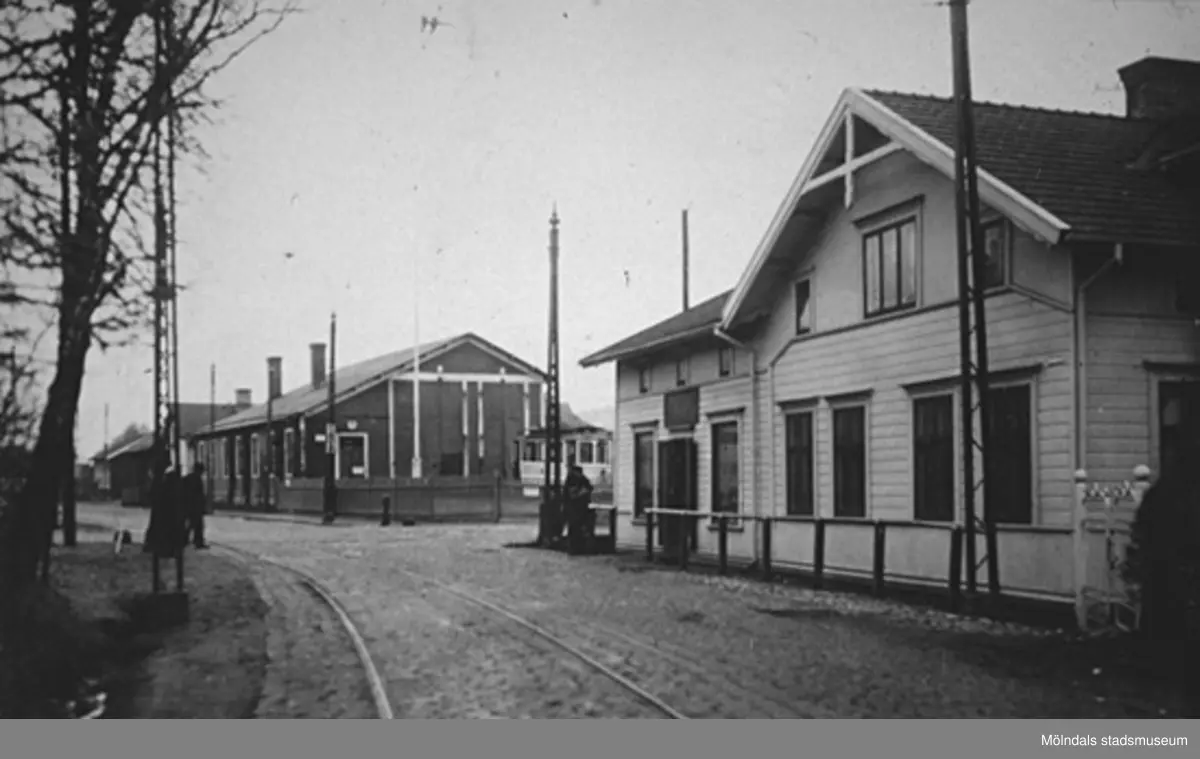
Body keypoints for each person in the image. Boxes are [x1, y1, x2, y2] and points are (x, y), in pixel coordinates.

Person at [564, 463, 594, 555]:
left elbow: (587, 488)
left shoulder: (576, 479)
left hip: (577, 508)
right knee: (576, 528)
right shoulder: (575, 479)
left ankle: (575, 548)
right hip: (576, 508)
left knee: (576, 528)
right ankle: (576, 548)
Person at [181, 462, 209, 549]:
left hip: (188, 505)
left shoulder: (187, 478)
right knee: (197, 525)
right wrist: (202, 505)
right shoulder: (197, 479)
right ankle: (197, 541)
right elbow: (198, 495)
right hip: (195, 506)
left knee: (191, 524)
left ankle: (185, 540)